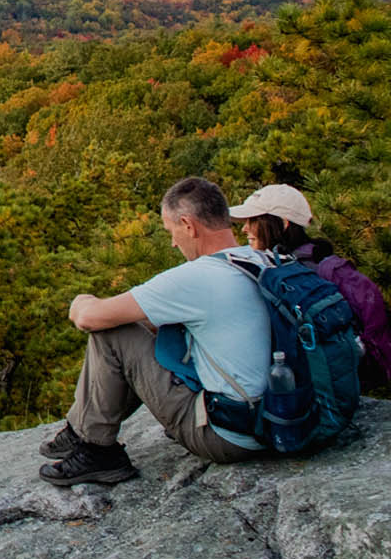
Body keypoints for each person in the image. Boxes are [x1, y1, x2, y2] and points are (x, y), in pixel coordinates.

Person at [38, 177, 270, 486]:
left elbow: (91, 319)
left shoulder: (199, 277)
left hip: (228, 437)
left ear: (188, 225)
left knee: (113, 333)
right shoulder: (264, 260)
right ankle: (80, 427)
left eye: (171, 231)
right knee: (139, 329)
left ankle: (97, 449)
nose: (173, 243)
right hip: (275, 419)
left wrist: (81, 300)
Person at [231, 183, 391, 390]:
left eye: (253, 221)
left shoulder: (298, 275)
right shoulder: (315, 261)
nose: (244, 228)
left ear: (283, 223)